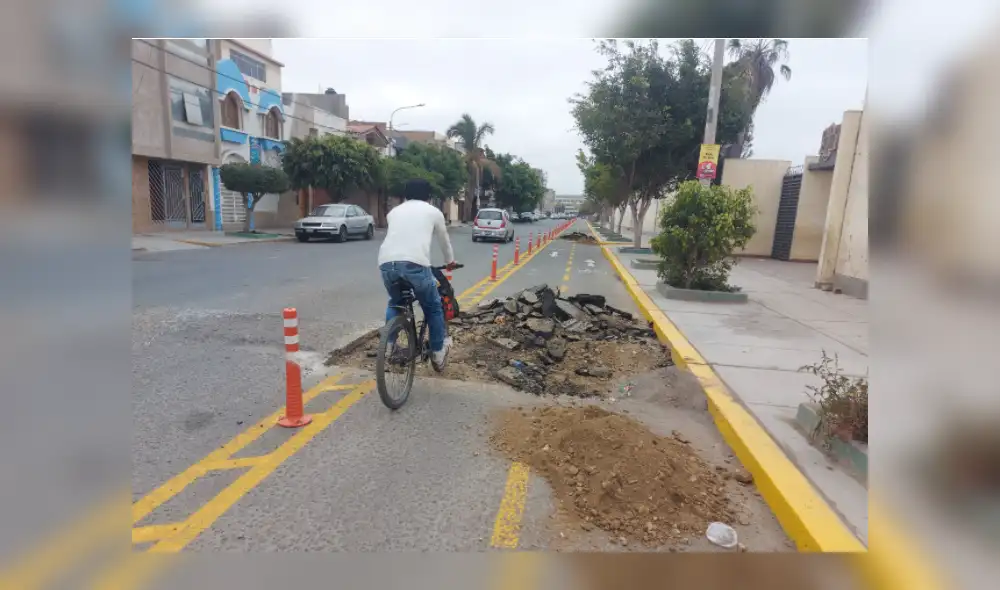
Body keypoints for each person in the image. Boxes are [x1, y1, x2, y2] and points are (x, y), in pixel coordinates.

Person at [377, 179, 459, 371]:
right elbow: (444, 242)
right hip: (415, 264)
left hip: (386, 263)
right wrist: (450, 261)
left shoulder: (393, 212)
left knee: (395, 303)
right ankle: (438, 353)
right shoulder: (434, 212)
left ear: (405, 195)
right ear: (428, 196)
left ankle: (388, 346)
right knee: (433, 307)